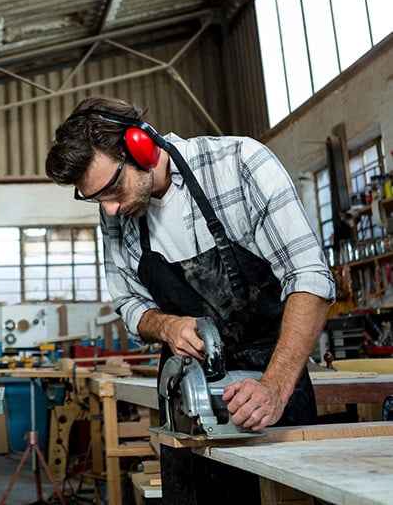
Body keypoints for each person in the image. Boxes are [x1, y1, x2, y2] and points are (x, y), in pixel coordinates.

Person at [45, 94, 335, 504]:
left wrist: (273, 386)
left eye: (111, 189)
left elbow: (310, 277)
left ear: (142, 146)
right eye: (94, 200)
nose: (108, 211)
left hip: (272, 390)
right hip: (186, 401)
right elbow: (129, 303)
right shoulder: (118, 211)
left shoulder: (240, 165)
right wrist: (166, 325)